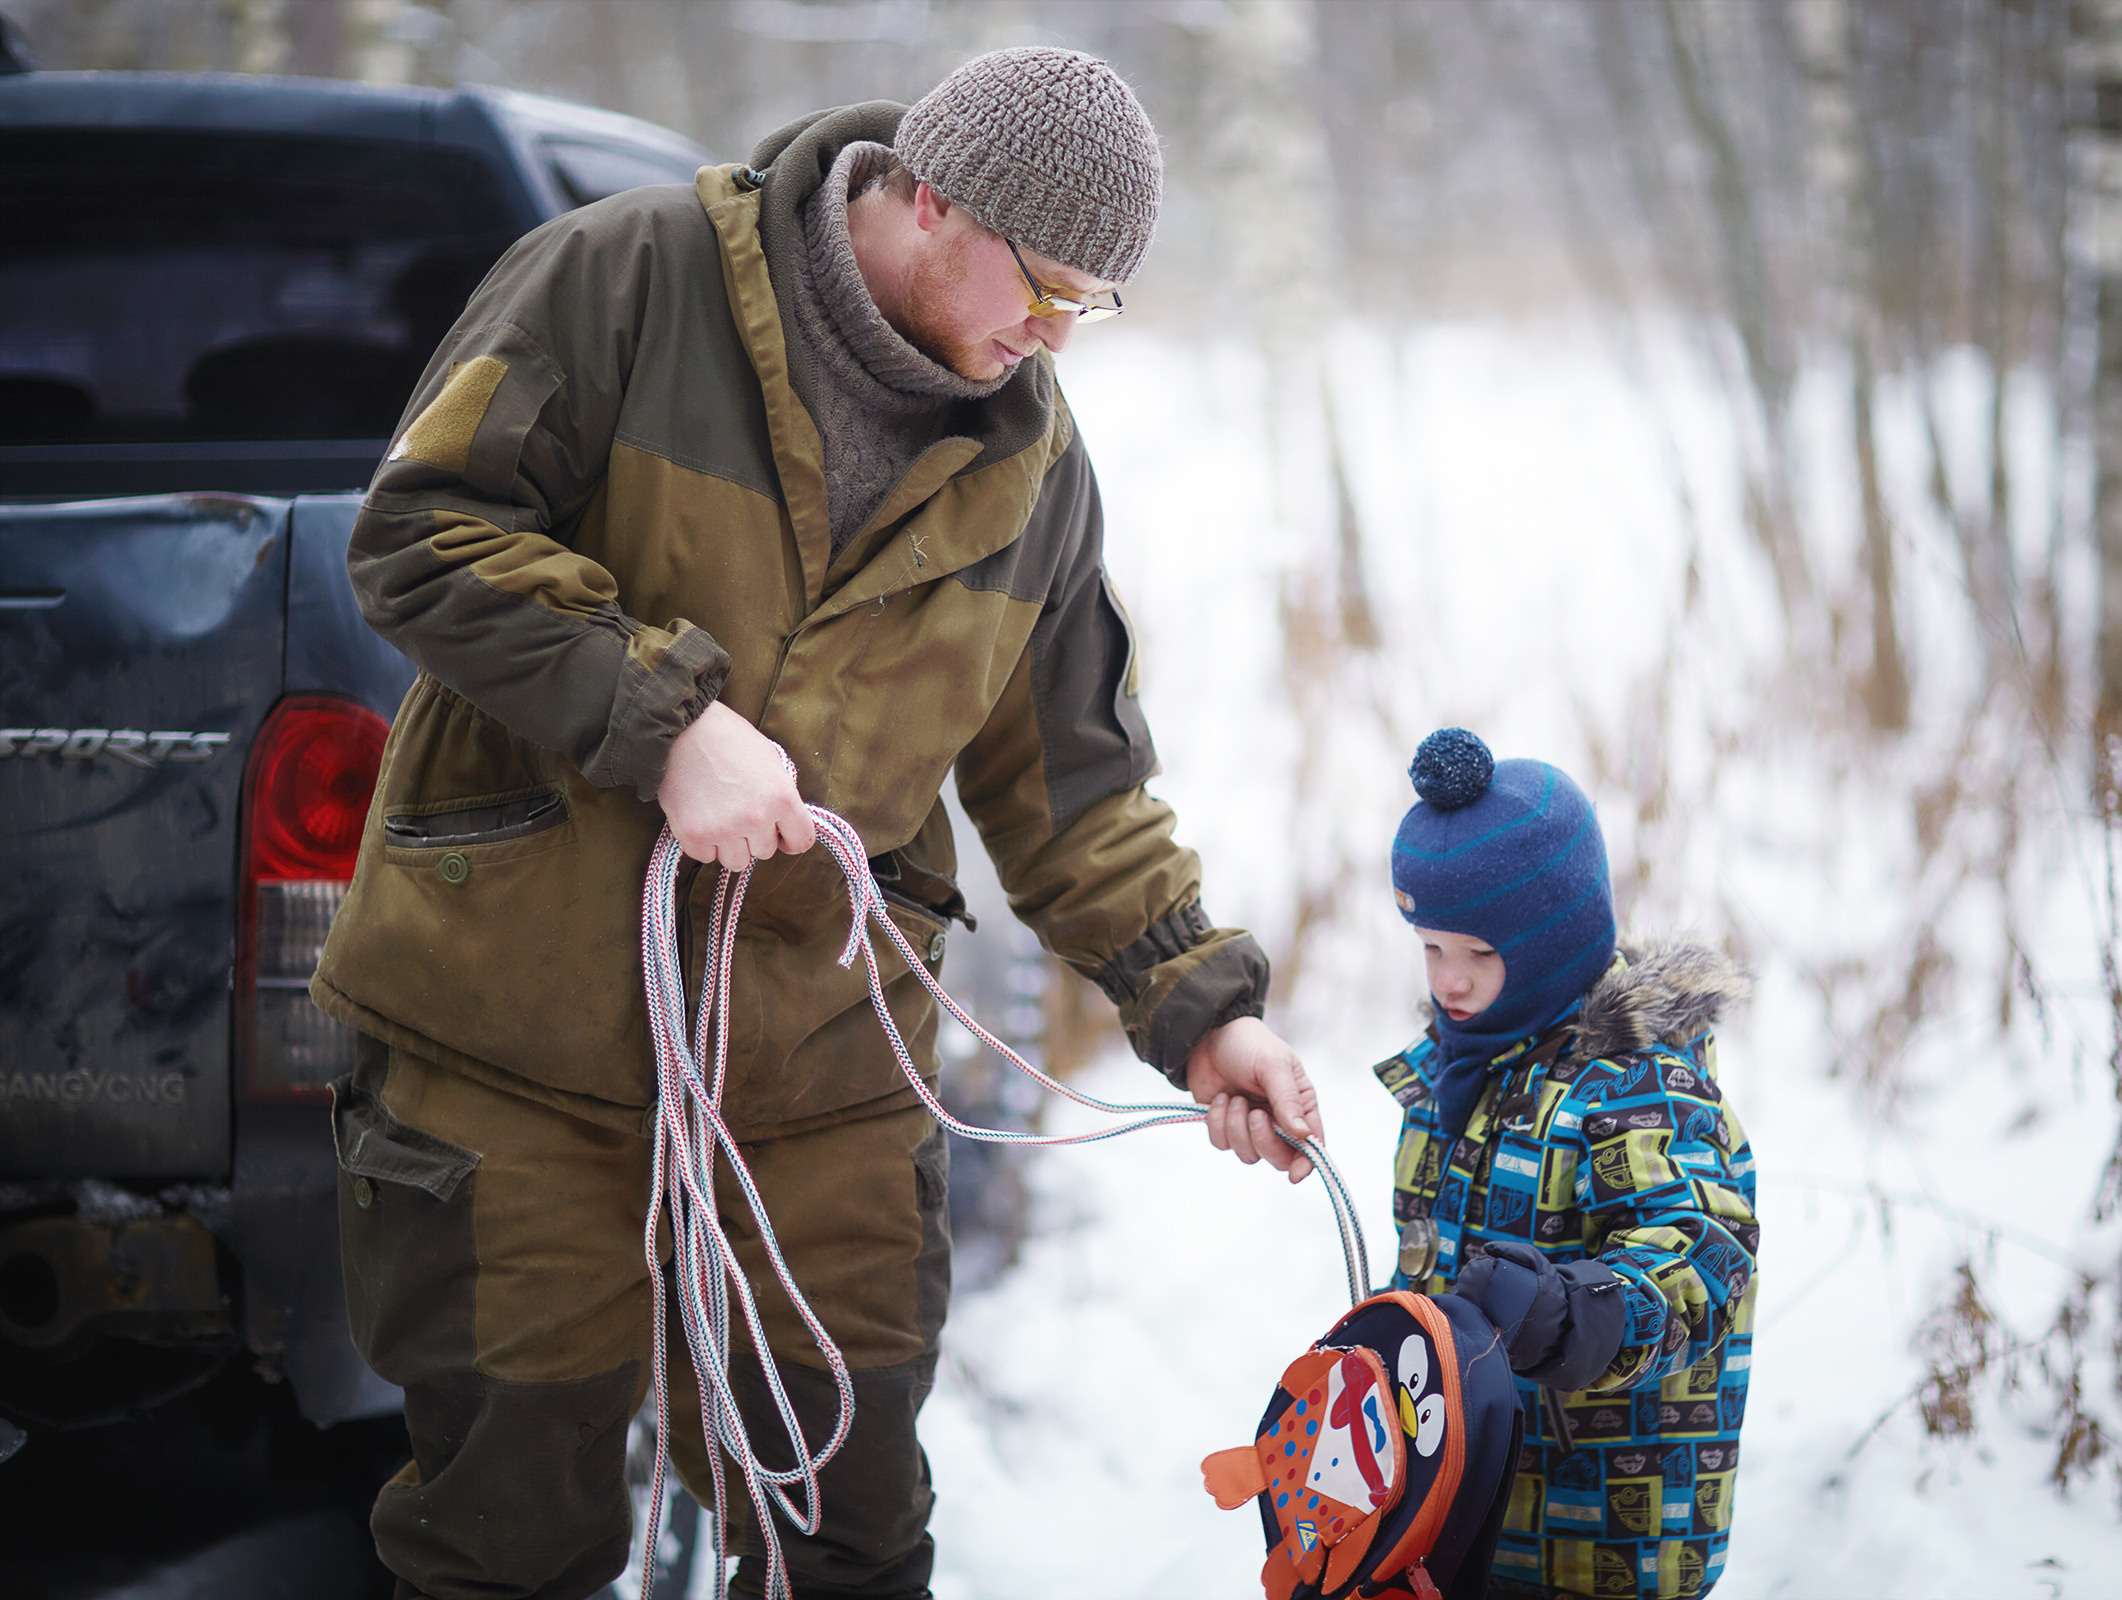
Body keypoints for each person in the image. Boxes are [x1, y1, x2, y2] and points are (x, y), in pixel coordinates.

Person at [312, 47, 1320, 1600]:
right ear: (932, 200)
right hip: (513, 1044)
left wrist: (1199, 1007)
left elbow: (1075, 787)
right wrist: (664, 721)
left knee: (846, 1544)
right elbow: (423, 533)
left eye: (1088, 307)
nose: (1051, 337)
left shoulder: (1031, 468)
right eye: (1043, 285)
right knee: (508, 1547)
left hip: (822, 1077)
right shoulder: (628, 280)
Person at [1372, 728, 1758, 1600]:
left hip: (1598, 1541)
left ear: (1553, 938)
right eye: (1432, 948)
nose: (1449, 982)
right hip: (1463, 1510)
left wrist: (1574, 1313)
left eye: (1479, 954)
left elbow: (1706, 1252)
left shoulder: (1637, 1086)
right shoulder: (1460, 1065)